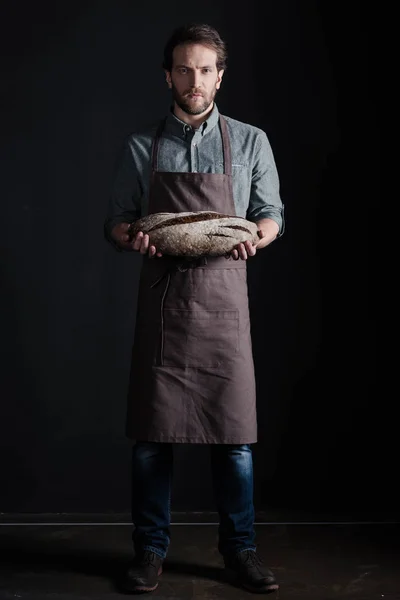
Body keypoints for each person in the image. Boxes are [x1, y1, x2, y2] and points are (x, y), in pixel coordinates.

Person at [104, 22, 284, 595]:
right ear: (168, 75)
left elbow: (272, 211)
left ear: (220, 76)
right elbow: (115, 220)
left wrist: (257, 234)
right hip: (164, 307)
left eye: (206, 69)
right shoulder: (141, 146)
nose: (195, 80)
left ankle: (240, 552)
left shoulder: (251, 142)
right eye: (184, 69)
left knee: (235, 442)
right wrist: (134, 235)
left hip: (224, 305)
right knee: (153, 442)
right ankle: (150, 551)